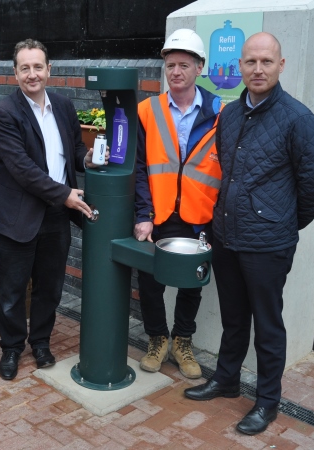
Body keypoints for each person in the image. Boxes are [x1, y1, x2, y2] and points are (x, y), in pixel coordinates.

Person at [184, 32, 314, 435]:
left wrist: (279, 223)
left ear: (281, 66)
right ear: (239, 67)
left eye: (267, 61)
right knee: (234, 318)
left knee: (267, 326)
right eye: (250, 62)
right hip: (226, 238)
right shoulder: (229, 116)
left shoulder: (298, 120)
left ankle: (267, 402)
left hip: (268, 246)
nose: (258, 69)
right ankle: (227, 380)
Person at [0, 38, 107, 380]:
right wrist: (65, 194)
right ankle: (11, 349)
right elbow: (22, 169)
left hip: (55, 216)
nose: (32, 74)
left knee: (50, 288)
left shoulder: (64, 107)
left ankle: (40, 342)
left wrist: (88, 159)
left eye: (37, 66)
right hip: (18, 218)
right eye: (24, 68)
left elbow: (73, 152)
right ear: (15, 73)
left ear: (49, 70)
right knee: (12, 292)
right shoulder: (4, 113)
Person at [134, 29, 222, 379]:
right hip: (158, 214)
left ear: (200, 67)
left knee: (192, 284)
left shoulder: (221, 112)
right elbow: (140, 169)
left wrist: (217, 223)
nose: (175, 72)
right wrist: (144, 215)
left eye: (184, 64)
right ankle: (157, 339)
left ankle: (182, 341)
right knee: (151, 282)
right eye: (170, 65)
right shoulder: (147, 110)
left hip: (200, 217)